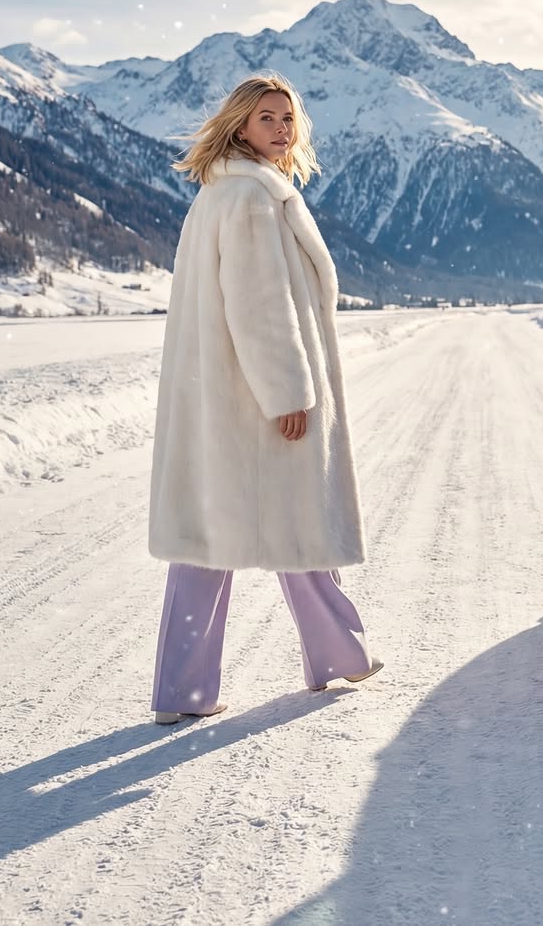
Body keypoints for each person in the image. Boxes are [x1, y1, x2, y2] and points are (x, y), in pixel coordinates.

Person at [147, 73, 380, 723]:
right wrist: (288, 394)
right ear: (241, 126)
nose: (281, 128)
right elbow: (259, 308)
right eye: (267, 118)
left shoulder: (220, 194)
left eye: (287, 118)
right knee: (294, 524)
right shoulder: (251, 200)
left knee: (211, 539)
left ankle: (185, 691)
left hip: (218, 394)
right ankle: (337, 653)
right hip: (255, 398)